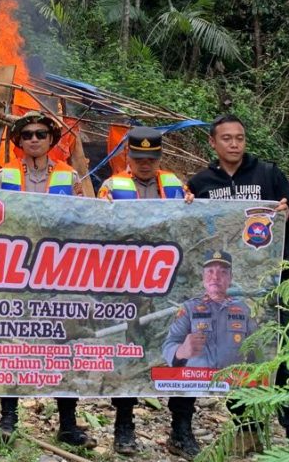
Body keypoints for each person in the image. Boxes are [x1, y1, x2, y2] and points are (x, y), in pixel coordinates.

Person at [180, 114, 289, 458]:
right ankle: (247, 428)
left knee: (283, 353)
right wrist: (185, 205)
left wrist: (286, 213)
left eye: (239, 138)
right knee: (236, 354)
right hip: (231, 287)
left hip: (272, 284)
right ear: (213, 143)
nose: (234, 144)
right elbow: (192, 230)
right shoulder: (201, 182)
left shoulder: (267, 174)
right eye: (227, 138)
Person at [0, 111, 94, 448]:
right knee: (12, 344)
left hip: (58, 272)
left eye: (41, 134)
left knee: (63, 344)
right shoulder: (4, 174)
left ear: (51, 140)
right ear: (18, 141)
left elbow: (84, 219)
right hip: (16, 271)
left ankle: (68, 423)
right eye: (27, 135)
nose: (34, 139)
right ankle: (8, 419)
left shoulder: (69, 175)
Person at [98, 127, 188, 455]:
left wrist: (192, 205)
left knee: (178, 350)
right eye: (139, 158)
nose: (145, 163)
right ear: (128, 157)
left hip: (169, 282)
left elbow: (192, 224)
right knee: (130, 351)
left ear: (159, 157)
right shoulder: (111, 187)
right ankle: (124, 425)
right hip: (128, 284)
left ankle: (181, 427)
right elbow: (99, 229)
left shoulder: (176, 185)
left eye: (151, 158)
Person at [162, 251, 258, 370]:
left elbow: (255, 348)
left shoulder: (244, 309)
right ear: (203, 277)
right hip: (197, 380)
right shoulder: (188, 309)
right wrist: (181, 351)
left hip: (233, 380)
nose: (215, 277)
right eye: (210, 271)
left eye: (223, 272)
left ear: (230, 278)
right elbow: (168, 346)